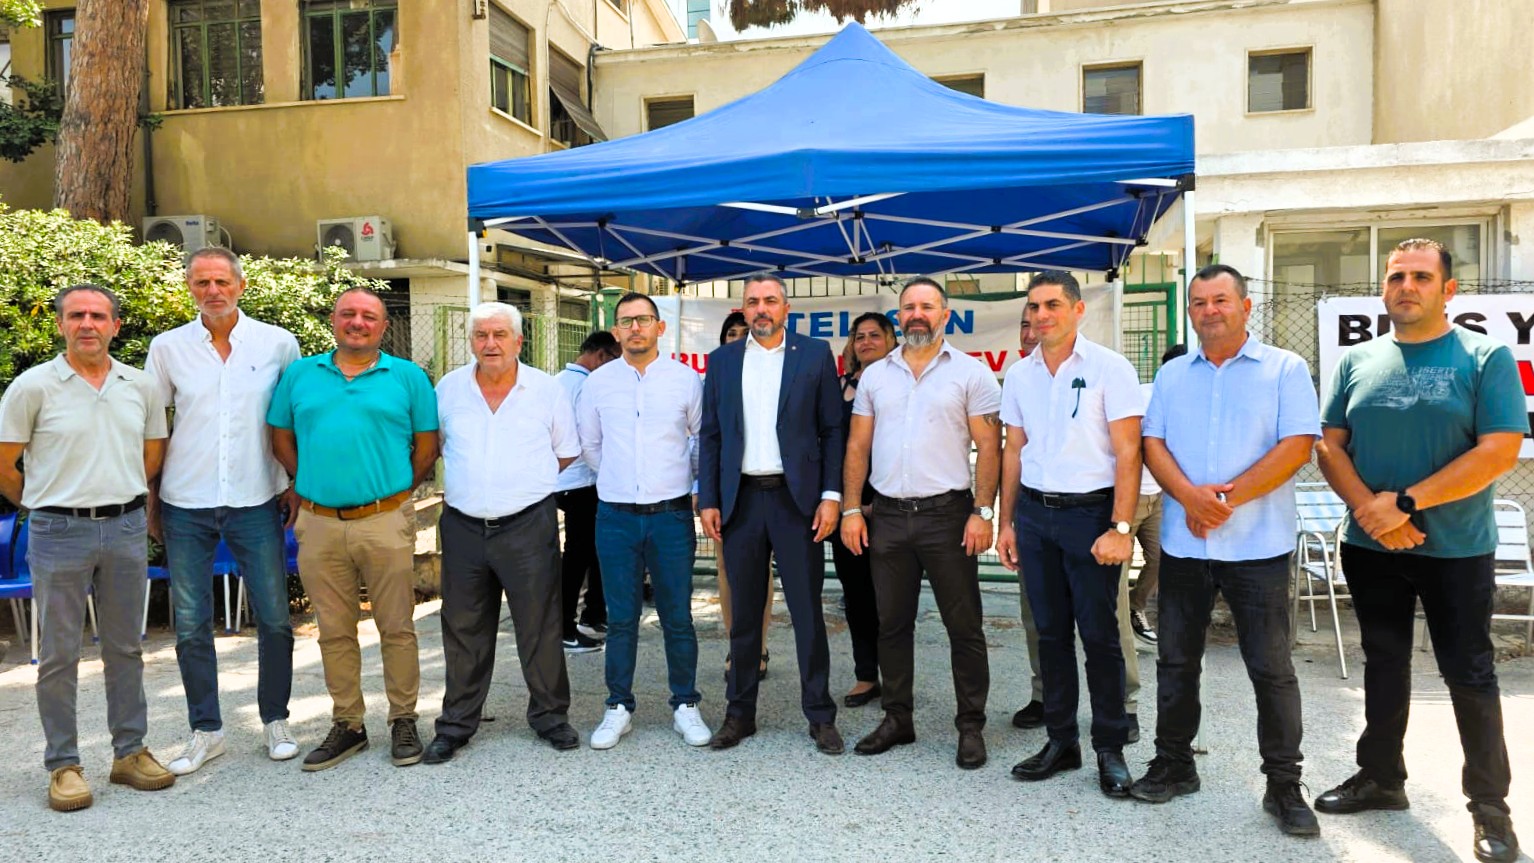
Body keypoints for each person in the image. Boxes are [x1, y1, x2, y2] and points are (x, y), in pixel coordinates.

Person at [1315, 238, 1524, 863]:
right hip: (1371, 546)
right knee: (1383, 664)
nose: (1407, 286)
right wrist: (1370, 512)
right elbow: (1329, 445)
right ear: (1384, 287)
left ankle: (1490, 807)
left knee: (1469, 674)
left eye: (1421, 277)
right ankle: (1382, 778)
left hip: (1455, 548)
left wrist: (1403, 504)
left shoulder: (1484, 356)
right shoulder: (1357, 360)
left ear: (1448, 290)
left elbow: (1499, 450)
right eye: (1396, 276)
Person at [1131, 264, 1321, 836]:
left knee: (1271, 668)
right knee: (1175, 661)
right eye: (1199, 302)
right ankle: (1174, 764)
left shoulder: (1285, 368)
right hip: (1185, 544)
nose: (1209, 310)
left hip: (1258, 547)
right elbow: (1152, 443)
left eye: (1220, 300)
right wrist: (1190, 497)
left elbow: (1298, 446)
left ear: (1245, 305)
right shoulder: (1173, 374)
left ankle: (1283, 784)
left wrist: (1223, 501)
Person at [0, 284, 174, 811]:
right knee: (58, 654)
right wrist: (46, 504)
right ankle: (64, 764)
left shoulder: (140, 386)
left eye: (98, 316)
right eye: (76, 315)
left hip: (124, 528)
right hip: (58, 531)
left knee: (126, 648)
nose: (87, 324)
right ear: (60, 325)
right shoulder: (32, 387)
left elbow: (151, 455)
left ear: (115, 326)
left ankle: (130, 753)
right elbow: (5, 464)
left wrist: (116, 492)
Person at [143, 247, 303, 776]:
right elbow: (153, 426)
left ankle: (276, 720)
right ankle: (206, 730)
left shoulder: (277, 343)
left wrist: (295, 482)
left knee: (275, 618)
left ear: (240, 285)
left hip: (257, 497)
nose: (212, 291)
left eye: (221, 282)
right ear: (189, 288)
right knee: (191, 625)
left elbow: (291, 419)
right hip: (184, 501)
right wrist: (152, 495)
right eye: (201, 282)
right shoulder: (167, 347)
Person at [267, 287, 439, 772]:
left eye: (368, 316)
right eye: (348, 314)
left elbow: (428, 446)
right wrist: (305, 481)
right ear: (333, 320)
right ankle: (348, 724)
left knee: (397, 626)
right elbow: (280, 436)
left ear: (383, 326)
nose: (357, 323)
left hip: (385, 519)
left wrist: (398, 495)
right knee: (334, 630)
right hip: (319, 522)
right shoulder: (301, 374)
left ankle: (403, 719)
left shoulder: (407, 377)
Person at [841, 277, 1001, 770]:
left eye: (927, 306)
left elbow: (990, 447)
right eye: (908, 306)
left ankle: (970, 726)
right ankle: (897, 718)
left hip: (948, 517)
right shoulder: (875, 376)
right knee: (891, 624)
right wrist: (851, 509)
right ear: (899, 316)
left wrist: (983, 511)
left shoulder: (971, 374)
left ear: (944, 315)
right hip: (888, 517)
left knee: (964, 627)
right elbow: (857, 446)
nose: (916, 314)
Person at [997, 270, 1141, 798]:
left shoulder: (1110, 368)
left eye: (1052, 305)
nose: (1041, 316)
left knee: (1100, 638)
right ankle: (1061, 741)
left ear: (1078, 309)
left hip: (1091, 516)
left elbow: (1129, 451)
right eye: (1034, 307)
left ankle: (1110, 747)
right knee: (1050, 635)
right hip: (1035, 516)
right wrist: (1006, 522)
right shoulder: (1020, 374)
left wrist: (1121, 527)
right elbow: (1014, 450)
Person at [426, 302, 583, 762]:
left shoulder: (547, 390)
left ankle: (550, 717)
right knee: (462, 627)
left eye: (499, 335)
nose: (490, 343)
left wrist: (522, 486)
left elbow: (566, 452)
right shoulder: (448, 388)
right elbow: (438, 446)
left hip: (527, 525)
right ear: (470, 341)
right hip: (462, 526)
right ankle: (456, 725)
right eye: (481, 335)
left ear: (519, 341)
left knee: (540, 625)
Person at [699, 275, 844, 754]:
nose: (761, 309)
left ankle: (820, 715)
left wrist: (831, 496)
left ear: (786, 308)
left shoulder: (814, 355)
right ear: (743, 309)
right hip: (740, 501)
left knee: (807, 612)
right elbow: (712, 434)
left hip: (796, 502)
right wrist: (709, 499)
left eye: (770, 301)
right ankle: (739, 714)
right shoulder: (722, 361)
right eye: (753, 302)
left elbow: (832, 430)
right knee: (743, 616)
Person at [578, 292, 711, 750]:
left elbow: (700, 439)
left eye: (644, 319)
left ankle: (685, 704)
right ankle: (618, 706)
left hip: (670, 516)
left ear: (660, 327)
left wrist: (678, 481)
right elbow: (591, 446)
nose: (635, 327)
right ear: (616, 331)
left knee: (678, 616)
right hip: (615, 516)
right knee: (620, 618)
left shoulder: (685, 379)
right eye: (626, 321)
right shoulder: (598, 383)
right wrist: (622, 480)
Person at [827, 312, 897, 707]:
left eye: (874, 335)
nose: (866, 342)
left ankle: (897, 679)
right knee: (856, 595)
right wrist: (845, 503)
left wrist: (877, 504)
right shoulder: (840, 387)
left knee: (891, 598)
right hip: (848, 509)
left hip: (890, 506)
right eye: (860, 336)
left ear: (891, 340)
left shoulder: (901, 383)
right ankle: (866, 675)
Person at [713, 310, 774, 681]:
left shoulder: (769, 374)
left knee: (760, 571)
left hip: (764, 488)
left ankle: (759, 646)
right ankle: (736, 646)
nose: (737, 338)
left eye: (743, 332)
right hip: (725, 490)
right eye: (730, 333)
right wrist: (703, 490)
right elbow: (702, 438)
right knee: (726, 569)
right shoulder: (714, 376)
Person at [556, 330, 621, 654]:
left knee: (591, 551)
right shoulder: (586, 386)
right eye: (613, 361)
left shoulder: (559, 381)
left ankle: (592, 617)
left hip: (565, 481)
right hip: (582, 480)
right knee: (578, 556)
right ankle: (564, 628)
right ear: (600, 356)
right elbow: (590, 436)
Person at [1125, 344, 1185, 648]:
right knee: (1117, 565)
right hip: (1129, 494)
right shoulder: (1141, 396)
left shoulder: (1188, 400)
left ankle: (1134, 607)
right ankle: (1117, 632)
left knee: (1162, 557)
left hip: (1157, 495)